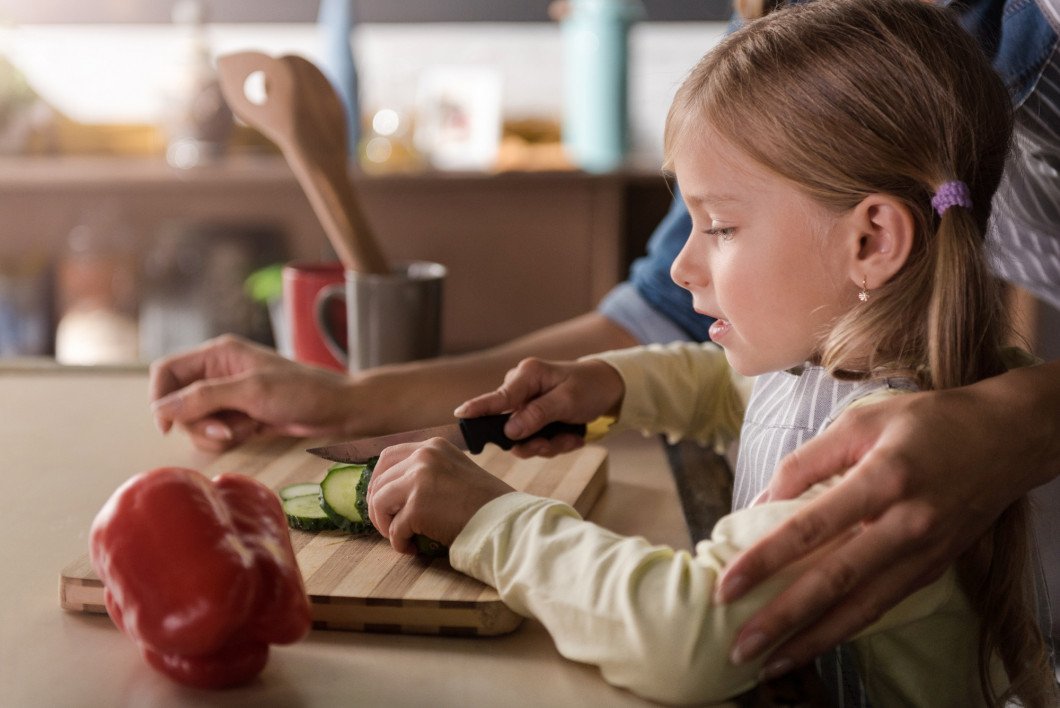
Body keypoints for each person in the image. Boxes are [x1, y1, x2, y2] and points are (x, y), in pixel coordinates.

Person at [148, 0, 1060, 687]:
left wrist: (492, 522)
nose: (686, 268)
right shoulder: (833, 368)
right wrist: (614, 387)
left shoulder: (878, 461)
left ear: (870, 241)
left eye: (723, 227)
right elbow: (726, 390)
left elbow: (690, 636)